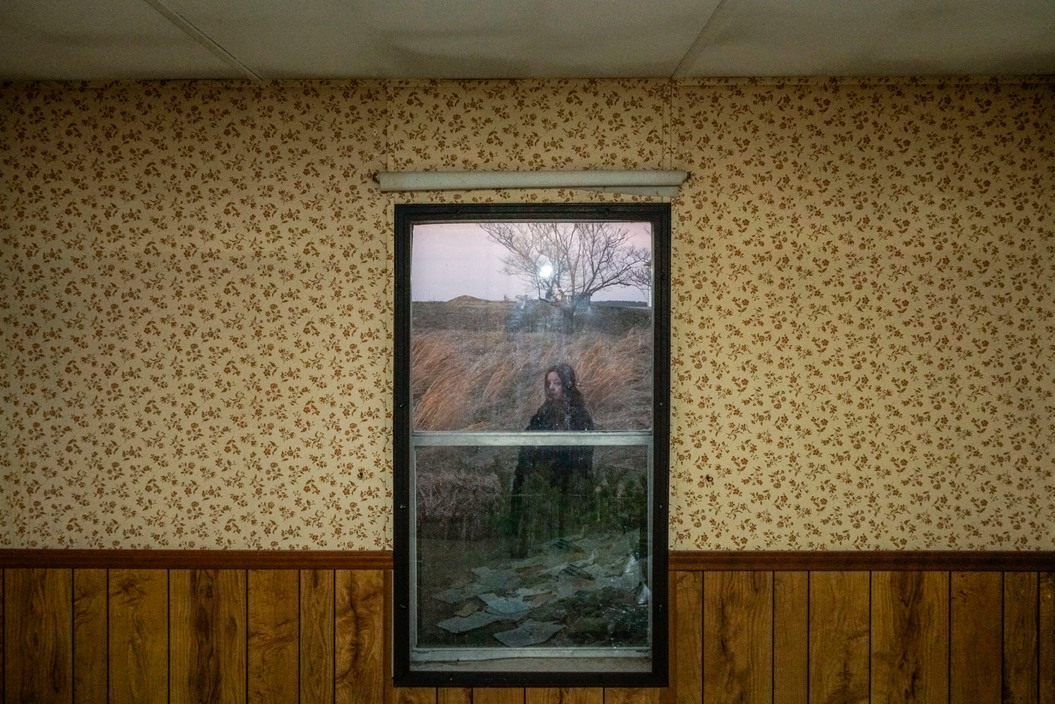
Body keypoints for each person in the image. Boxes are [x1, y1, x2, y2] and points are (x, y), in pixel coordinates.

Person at [508, 363, 594, 557]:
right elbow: (529, 442)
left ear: (567, 385)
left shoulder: (579, 415)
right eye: (549, 384)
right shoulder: (544, 412)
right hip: (543, 483)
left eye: (557, 383)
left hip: (569, 483)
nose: (552, 388)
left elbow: (584, 453)